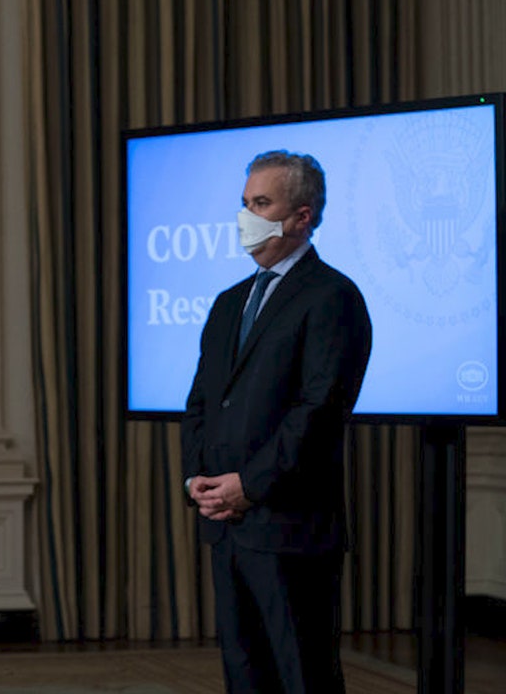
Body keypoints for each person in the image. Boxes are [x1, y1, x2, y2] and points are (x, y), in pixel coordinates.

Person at [181, 150, 372, 694]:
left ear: (301, 217)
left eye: (261, 203)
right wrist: (197, 479)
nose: (247, 216)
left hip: (291, 529)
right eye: (244, 203)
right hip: (227, 527)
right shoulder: (228, 303)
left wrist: (249, 485)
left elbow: (319, 412)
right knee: (245, 677)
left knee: (303, 677)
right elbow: (201, 402)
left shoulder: (333, 296)